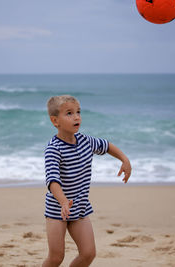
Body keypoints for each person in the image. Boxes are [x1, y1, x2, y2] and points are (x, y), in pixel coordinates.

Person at [43, 95, 132, 267]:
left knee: (88, 254)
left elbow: (106, 146)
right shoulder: (53, 148)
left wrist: (124, 160)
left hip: (80, 206)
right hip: (57, 208)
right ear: (55, 121)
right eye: (69, 113)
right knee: (56, 257)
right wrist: (62, 202)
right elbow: (52, 180)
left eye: (78, 112)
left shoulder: (86, 141)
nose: (76, 117)